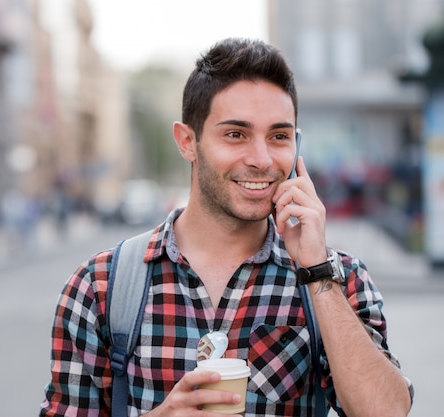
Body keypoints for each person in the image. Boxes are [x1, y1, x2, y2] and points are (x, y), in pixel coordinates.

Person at [39, 38, 413, 417]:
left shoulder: (338, 279)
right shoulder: (101, 287)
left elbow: (386, 412)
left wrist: (317, 273)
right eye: (236, 134)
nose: (261, 159)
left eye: (279, 137)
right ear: (188, 141)